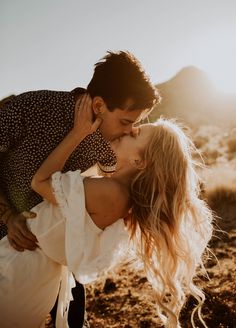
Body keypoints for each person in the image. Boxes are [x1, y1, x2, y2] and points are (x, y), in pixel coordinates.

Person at [0, 97, 213, 328]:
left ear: (139, 161)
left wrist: (77, 133)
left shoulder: (111, 194)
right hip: (27, 269)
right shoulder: (114, 190)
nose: (128, 131)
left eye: (135, 134)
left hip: (19, 273)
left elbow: (40, 182)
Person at [0, 51, 158, 327]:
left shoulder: (110, 144)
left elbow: (120, 185)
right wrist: (6, 215)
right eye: (125, 122)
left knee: (73, 311)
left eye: (135, 124)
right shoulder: (28, 108)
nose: (128, 132)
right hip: (7, 239)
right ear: (98, 105)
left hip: (54, 250)